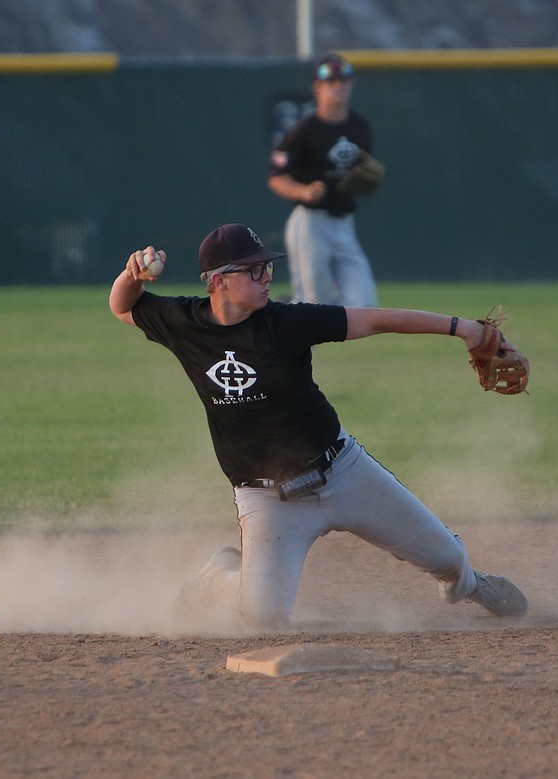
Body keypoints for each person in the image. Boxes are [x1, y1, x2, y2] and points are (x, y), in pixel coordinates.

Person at [108, 223, 527, 629]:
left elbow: (379, 319)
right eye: (254, 270)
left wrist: (464, 330)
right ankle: (220, 576)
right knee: (261, 616)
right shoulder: (183, 322)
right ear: (218, 281)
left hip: (342, 472)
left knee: (451, 562)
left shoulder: (287, 323)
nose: (267, 277)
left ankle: (474, 586)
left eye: (268, 267)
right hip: (267, 500)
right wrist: (132, 275)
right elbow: (123, 306)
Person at [269, 52, 378, 307]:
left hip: (345, 225)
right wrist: (303, 191)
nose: (339, 85)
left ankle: (287, 308)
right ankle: (289, 313)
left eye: (344, 79)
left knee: (364, 303)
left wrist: (364, 181)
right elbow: (276, 178)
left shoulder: (360, 126)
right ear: (318, 87)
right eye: (331, 80)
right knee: (314, 305)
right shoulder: (304, 129)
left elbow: (364, 170)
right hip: (310, 224)